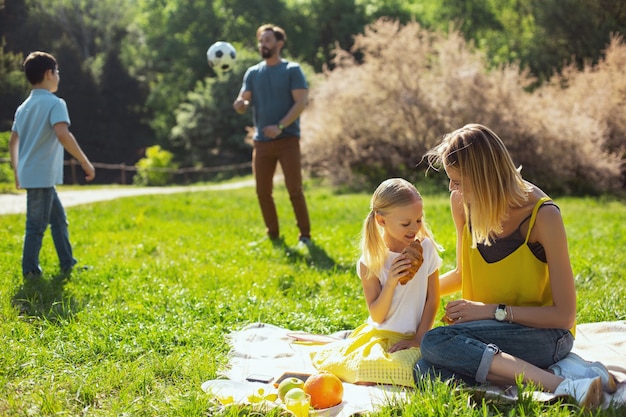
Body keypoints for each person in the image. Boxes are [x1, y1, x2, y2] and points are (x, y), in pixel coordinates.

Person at [413, 124, 616, 409]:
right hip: (488, 329)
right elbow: (463, 273)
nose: (451, 189)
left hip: (546, 336)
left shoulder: (543, 216)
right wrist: (411, 289)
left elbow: (564, 314)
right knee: (424, 370)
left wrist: (491, 311)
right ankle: (542, 382)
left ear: (483, 178)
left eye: (457, 181)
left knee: (436, 342)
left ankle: (565, 385)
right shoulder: (462, 203)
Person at [310, 178, 442, 386]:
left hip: (417, 336)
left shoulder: (426, 249)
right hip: (382, 337)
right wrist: (390, 283)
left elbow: (433, 298)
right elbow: (378, 315)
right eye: (406, 223)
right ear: (381, 221)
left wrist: (419, 338)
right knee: (367, 371)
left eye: (418, 220)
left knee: (418, 371)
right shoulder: (372, 261)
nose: (415, 228)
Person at [9, 51, 95, 280]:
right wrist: (85, 162)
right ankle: (30, 271)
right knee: (36, 225)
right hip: (42, 175)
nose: (58, 76)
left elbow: (13, 142)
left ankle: (68, 263)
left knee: (58, 220)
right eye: (57, 72)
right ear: (49, 73)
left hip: (34, 174)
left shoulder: (23, 107)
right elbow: (63, 135)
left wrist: (18, 171)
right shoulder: (56, 103)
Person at [233, 24, 311, 245]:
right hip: (262, 143)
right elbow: (244, 100)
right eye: (260, 40)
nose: (263, 44)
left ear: (279, 43)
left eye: (267, 40)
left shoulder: (292, 70)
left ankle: (305, 236)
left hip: (287, 140)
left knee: (294, 189)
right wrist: (240, 104)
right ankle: (273, 234)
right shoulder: (253, 73)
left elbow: (301, 102)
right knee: (262, 191)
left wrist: (281, 126)